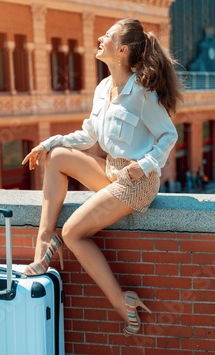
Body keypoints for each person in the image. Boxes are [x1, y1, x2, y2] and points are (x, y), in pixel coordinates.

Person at [21, 18, 182, 337]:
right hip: (111, 171)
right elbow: (88, 135)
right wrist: (48, 143)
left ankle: (123, 302)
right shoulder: (103, 89)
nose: (99, 38)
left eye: (107, 37)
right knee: (56, 158)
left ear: (121, 50)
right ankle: (44, 241)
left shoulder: (143, 92)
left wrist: (146, 164)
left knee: (74, 233)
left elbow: (168, 135)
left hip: (136, 183)